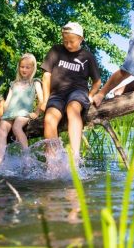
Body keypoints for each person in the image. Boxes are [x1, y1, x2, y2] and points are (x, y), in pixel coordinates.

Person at [40, 22, 101, 167]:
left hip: (78, 92)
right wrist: (45, 100)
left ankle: (74, 157)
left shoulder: (87, 56)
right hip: (57, 94)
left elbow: (97, 82)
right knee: (49, 118)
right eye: (65, 41)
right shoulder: (56, 50)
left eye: (71, 41)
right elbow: (46, 76)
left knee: (72, 109)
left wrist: (91, 95)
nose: (68, 44)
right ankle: (53, 162)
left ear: (81, 39)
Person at [0, 53, 43, 169]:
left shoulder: (35, 82)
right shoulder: (14, 83)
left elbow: (41, 100)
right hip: (10, 113)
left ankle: (27, 157)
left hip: (24, 113)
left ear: (32, 68)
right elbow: (6, 103)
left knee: (16, 127)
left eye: (27, 67)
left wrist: (36, 113)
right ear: (19, 67)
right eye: (22, 67)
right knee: (1, 130)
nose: (24, 69)